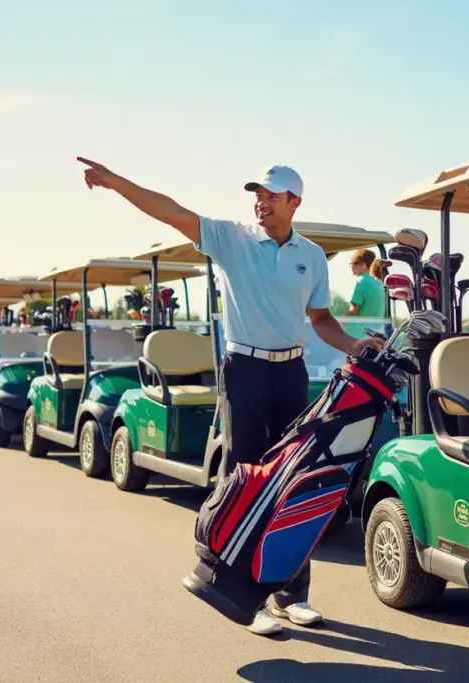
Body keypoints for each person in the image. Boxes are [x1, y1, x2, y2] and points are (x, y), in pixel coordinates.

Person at [76, 157, 381, 637]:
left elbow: (321, 319)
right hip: (245, 370)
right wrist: (115, 182)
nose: (260, 201)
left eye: (270, 194)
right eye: (256, 193)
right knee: (246, 475)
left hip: (291, 372)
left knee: (294, 479)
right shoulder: (232, 238)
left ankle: (291, 594)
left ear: (294, 202)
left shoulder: (312, 256)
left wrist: (353, 345)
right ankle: (241, 592)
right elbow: (171, 211)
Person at [343, 249, 386, 318]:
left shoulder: (362, 281)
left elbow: (353, 311)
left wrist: (339, 320)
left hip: (360, 328)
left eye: (354, 263)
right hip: (376, 327)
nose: (351, 266)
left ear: (363, 265)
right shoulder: (379, 281)